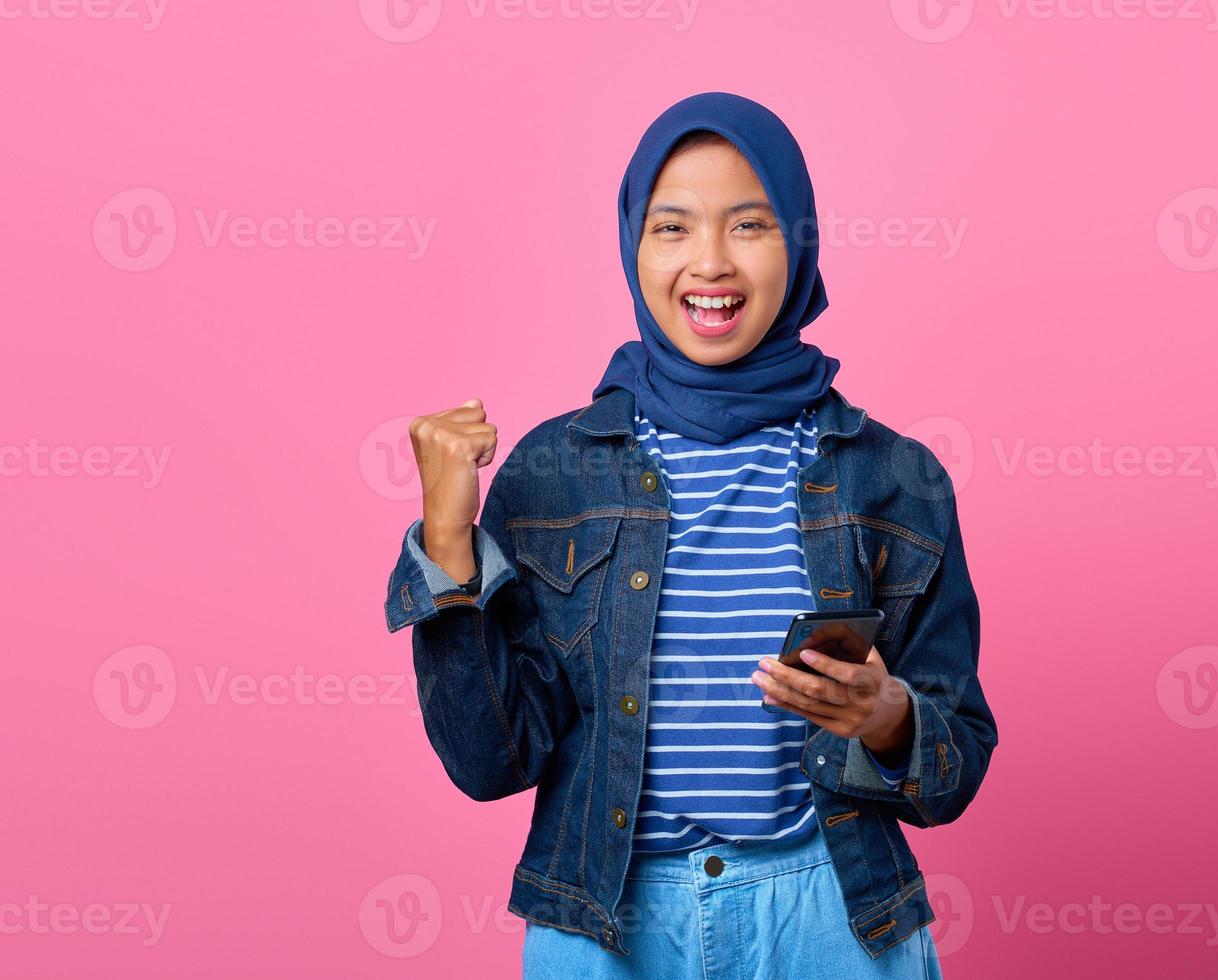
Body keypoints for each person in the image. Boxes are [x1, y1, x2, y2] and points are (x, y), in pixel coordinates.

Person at [384, 91, 998, 979]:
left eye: (748, 225)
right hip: (608, 922)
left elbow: (956, 763)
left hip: (832, 914)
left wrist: (888, 717)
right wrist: (448, 542)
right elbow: (491, 762)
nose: (709, 263)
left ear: (800, 242)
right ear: (633, 245)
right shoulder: (552, 472)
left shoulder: (894, 477)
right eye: (671, 228)